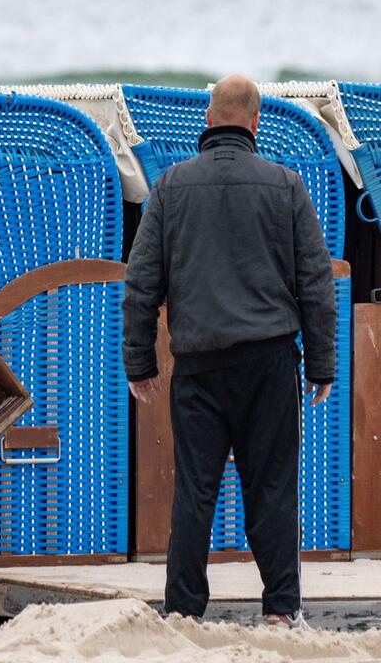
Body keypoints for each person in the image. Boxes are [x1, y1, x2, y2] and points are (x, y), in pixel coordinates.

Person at [122, 75, 335, 630]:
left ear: (209, 119)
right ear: (256, 124)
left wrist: (140, 364)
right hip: (269, 366)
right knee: (272, 491)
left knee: (195, 492)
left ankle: (184, 614)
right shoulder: (286, 186)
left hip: (198, 367)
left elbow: (141, 285)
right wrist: (322, 365)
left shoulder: (169, 187)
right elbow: (315, 283)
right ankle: (282, 613)